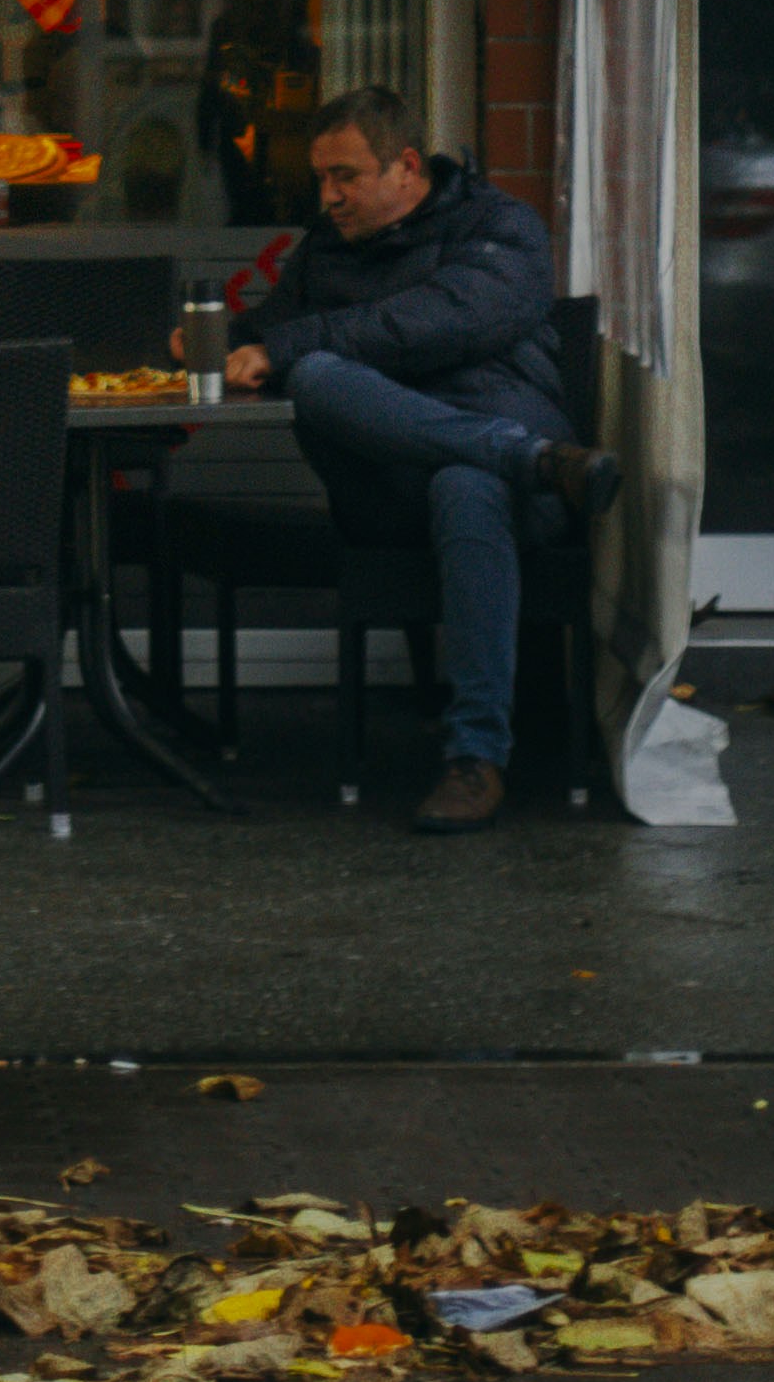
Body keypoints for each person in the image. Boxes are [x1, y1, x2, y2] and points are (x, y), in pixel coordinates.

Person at [225, 81, 620, 835]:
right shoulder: (323, 252)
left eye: (345, 176)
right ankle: (533, 457)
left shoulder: (500, 227)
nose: (328, 197)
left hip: (494, 491)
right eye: (320, 178)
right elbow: (272, 331)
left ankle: (475, 758)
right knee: (314, 377)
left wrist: (280, 347)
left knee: (466, 485)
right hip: (394, 485)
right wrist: (217, 339)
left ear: (406, 168)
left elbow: (439, 322)